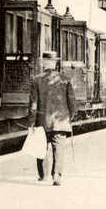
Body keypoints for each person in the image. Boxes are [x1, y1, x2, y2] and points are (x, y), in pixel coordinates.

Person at [30, 51, 77, 186]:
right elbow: (72, 101)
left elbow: (33, 104)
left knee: (41, 147)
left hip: (42, 121)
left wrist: (31, 123)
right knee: (59, 149)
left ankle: (43, 175)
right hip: (61, 121)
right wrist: (71, 116)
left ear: (43, 63)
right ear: (55, 63)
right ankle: (56, 175)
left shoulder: (36, 80)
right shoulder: (65, 79)